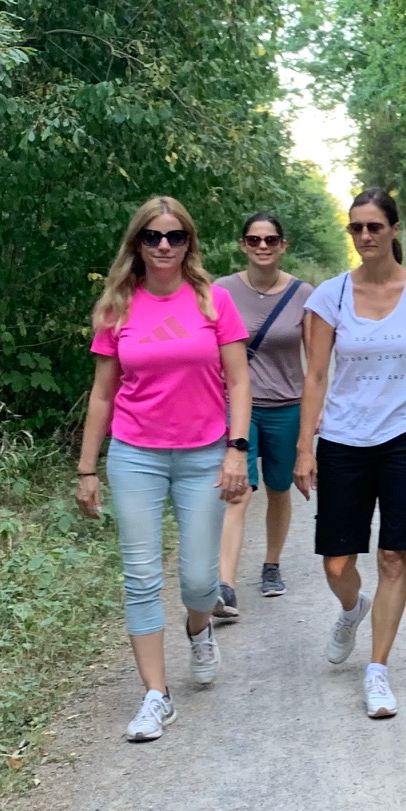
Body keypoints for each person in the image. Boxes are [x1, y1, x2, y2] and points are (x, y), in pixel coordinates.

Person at [76, 196, 253, 743]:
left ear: (188, 243)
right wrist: (87, 469)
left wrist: (237, 449)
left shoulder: (214, 300)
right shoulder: (118, 307)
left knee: (200, 582)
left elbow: (239, 381)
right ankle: (156, 695)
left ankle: (198, 629)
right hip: (136, 454)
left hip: (204, 454)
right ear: (137, 243)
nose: (163, 246)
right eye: (152, 236)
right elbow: (102, 394)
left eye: (175, 236)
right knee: (140, 577)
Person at [294, 190, 406, 720]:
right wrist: (305, 447)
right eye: (356, 228)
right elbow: (316, 375)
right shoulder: (329, 296)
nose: (365, 236)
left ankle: (377, 669)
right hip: (344, 437)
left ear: (395, 230)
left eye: (374, 226)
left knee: (394, 556)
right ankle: (353, 608)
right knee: (336, 562)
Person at [214, 213, 308, 621]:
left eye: (271, 240)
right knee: (238, 490)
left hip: (288, 405)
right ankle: (225, 585)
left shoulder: (303, 293)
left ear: (283, 245)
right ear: (243, 245)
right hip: (239, 407)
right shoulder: (221, 290)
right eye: (254, 240)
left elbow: (318, 362)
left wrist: (315, 418)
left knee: (278, 488)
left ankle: (271, 564)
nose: (262, 247)